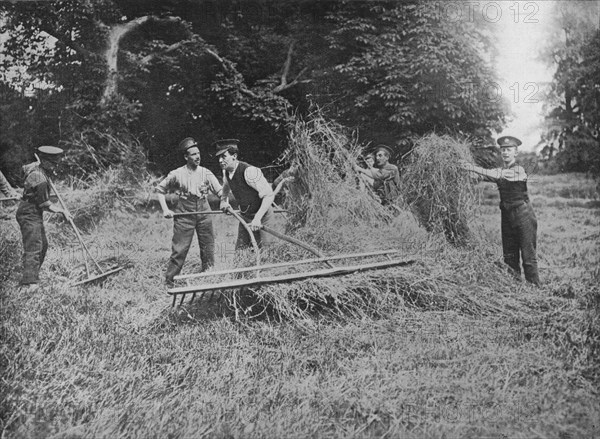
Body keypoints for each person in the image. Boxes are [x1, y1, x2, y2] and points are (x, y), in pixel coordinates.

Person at [460, 135, 540, 286]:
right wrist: (461, 169)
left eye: (509, 150)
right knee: (509, 257)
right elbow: (479, 176)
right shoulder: (500, 171)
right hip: (507, 216)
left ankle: (535, 292)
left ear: (515, 153)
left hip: (523, 215)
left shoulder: (518, 170)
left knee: (528, 258)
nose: (505, 152)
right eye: (503, 150)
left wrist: (471, 166)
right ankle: (515, 290)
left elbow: (497, 174)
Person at [156, 137, 223, 286]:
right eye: (193, 154)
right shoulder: (177, 174)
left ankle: (209, 277)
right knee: (180, 248)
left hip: (204, 212)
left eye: (198, 153)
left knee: (208, 247)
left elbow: (220, 192)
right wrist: (166, 209)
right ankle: (170, 281)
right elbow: (160, 190)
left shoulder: (206, 173)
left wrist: (224, 202)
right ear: (186, 157)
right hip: (185, 213)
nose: (197, 157)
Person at [16, 146, 70, 291]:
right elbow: (45, 204)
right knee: (34, 247)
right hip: (28, 212)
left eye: (56, 163)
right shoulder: (40, 178)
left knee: (43, 245)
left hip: (34, 211)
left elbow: (26, 169)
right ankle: (29, 283)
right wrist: (62, 211)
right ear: (44, 161)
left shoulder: (38, 169)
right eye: (52, 163)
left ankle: (32, 275)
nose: (55, 166)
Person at [216, 139, 275, 250]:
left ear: (234, 156)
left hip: (263, 216)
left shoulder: (250, 171)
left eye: (223, 156)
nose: (220, 160)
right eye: (218, 157)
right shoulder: (226, 172)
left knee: (266, 253)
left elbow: (269, 195)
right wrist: (223, 200)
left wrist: (258, 218)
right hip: (246, 216)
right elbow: (226, 185)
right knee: (241, 252)